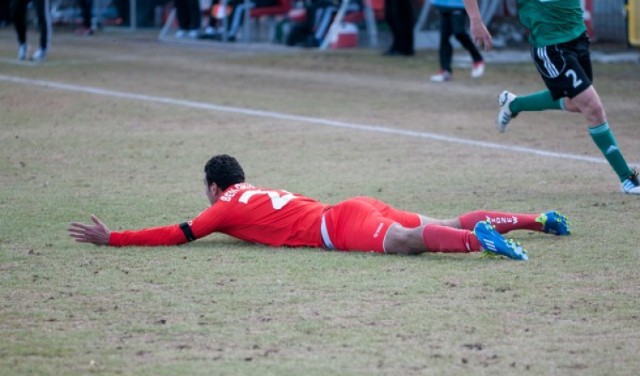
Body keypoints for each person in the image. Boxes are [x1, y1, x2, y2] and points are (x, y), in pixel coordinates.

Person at [68, 154, 572, 261]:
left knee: (402, 244)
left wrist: (114, 237)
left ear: (214, 185)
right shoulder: (256, 190)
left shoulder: (222, 207)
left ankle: (477, 243)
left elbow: (178, 233)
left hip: (340, 225)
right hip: (355, 204)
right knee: (437, 220)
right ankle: (536, 219)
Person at [463, 0, 640, 195]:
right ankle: (627, 179)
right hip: (552, 47)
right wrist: (476, 20)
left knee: (577, 103)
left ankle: (514, 104)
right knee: (593, 107)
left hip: (577, 35)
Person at [429, 0, 484, 82]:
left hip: (459, 4)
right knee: (444, 37)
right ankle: (445, 71)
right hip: (442, 4)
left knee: (459, 32)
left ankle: (478, 60)